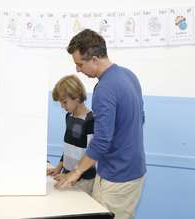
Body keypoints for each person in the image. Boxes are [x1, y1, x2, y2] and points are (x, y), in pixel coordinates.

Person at [54, 29, 146, 219]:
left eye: (80, 64)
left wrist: (76, 172)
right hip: (135, 170)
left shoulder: (104, 89)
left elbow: (102, 140)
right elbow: (141, 119)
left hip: (117, 176)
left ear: (95, 59)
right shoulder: (129, 75)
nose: (78, 70)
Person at [48, 74, 96, 195]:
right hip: (67, 174)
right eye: (60, 103)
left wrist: (73, 175)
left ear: (77, 97)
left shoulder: (90, 120)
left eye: (64, 102)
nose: (62, 106)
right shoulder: (69, 116)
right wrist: (58, 168)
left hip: (84, 179)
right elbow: (69, 147)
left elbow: (92, 154)